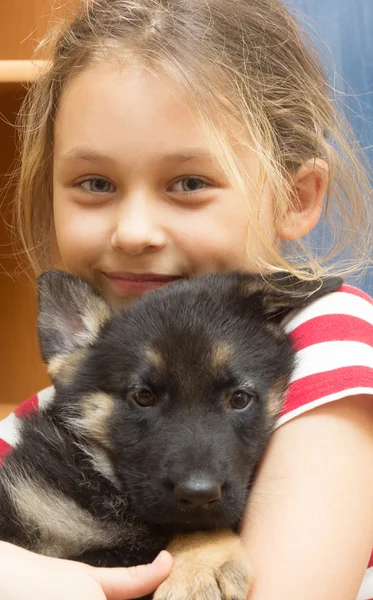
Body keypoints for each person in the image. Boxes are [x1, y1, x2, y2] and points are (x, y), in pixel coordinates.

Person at [1, 0, 373, 598]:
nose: (136, 231)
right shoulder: (39, 421)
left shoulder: (326, 338)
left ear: (295, 197)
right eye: (96, 183)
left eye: (189, 183)